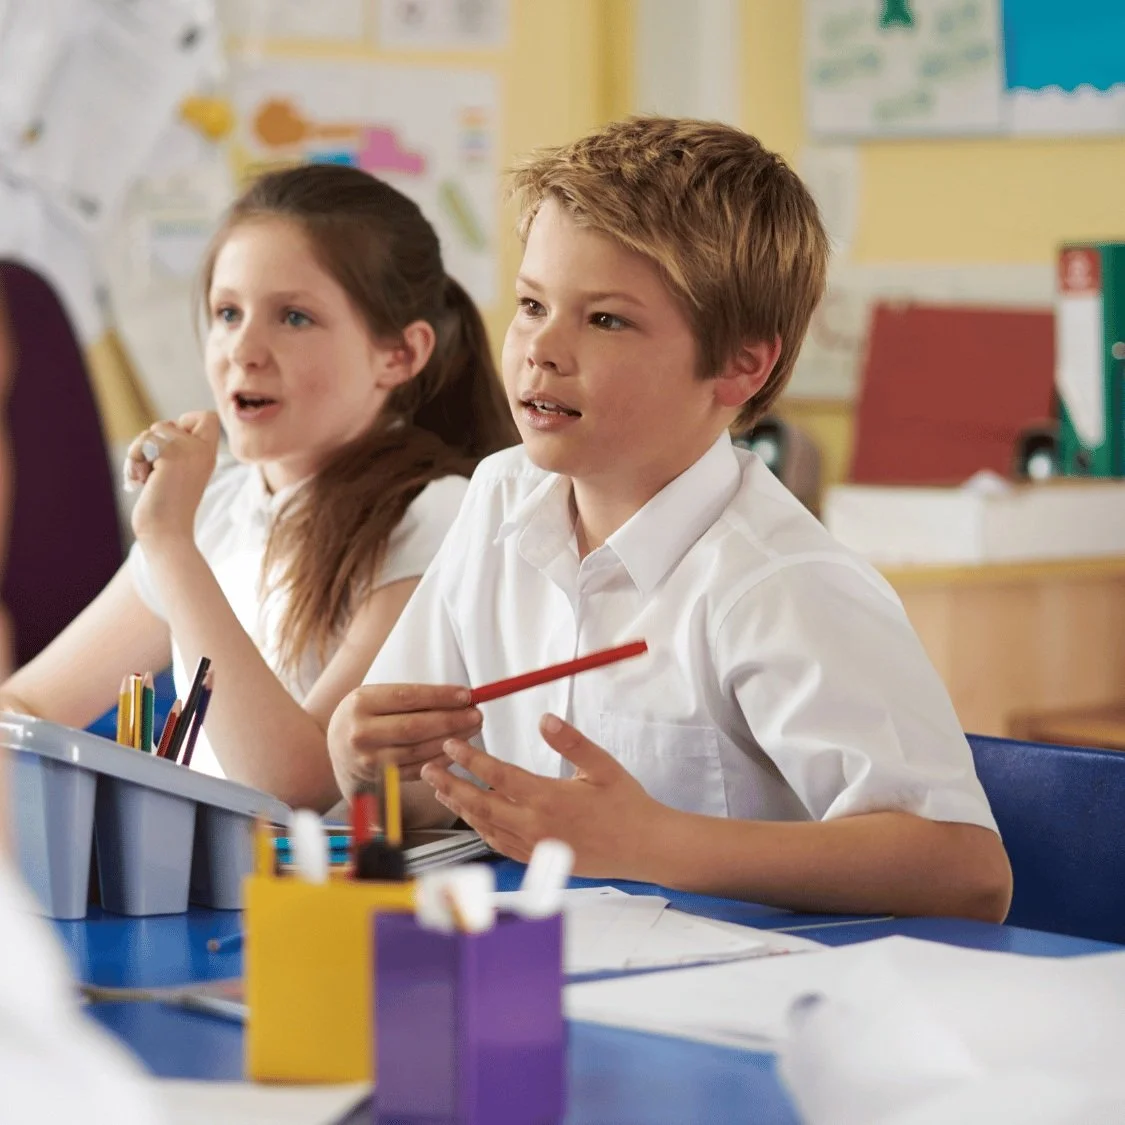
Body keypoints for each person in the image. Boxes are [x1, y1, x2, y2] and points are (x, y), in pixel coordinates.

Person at [326, 117, 1013, 920]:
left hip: (739, 1006)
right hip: (542, 970)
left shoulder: (782, 580)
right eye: (530, 303)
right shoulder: (498, 498)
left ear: (739, 365)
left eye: (605, 318)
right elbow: (438, 793)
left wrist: (652, 840)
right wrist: (364, 763)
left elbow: (967, 872)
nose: (541, 349)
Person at [0, 164, 516, 811]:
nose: (242, 350)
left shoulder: (436, 515)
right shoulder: (217, 506)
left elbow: (294, 784)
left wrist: (169, 544)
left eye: (294, 317)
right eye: (227, 313)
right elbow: (26, 705)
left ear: (400, 355)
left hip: (338, 899)